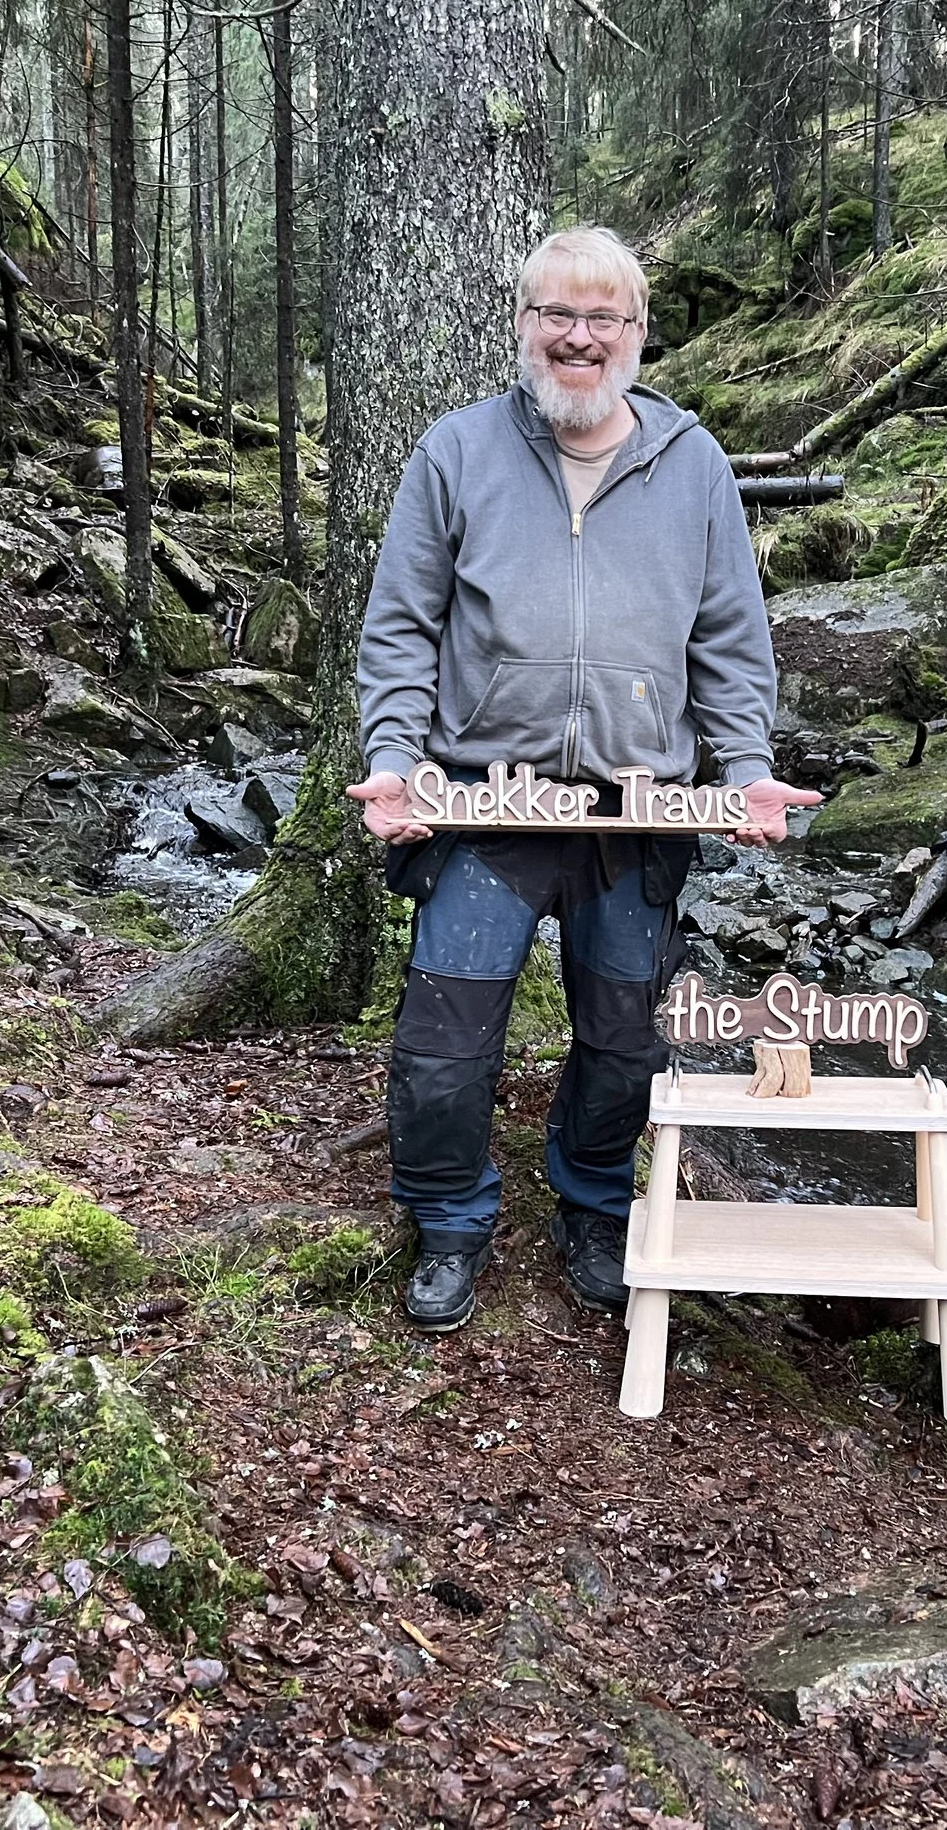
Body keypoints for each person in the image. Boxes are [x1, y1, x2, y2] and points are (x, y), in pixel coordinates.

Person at [347, 225, 821, 1334]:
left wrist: (746, 770)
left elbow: (732, 642)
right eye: (556, 314)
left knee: (626, 1038)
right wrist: (391, 759)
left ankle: (595, 1205)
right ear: (522, 325)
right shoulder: (455, 453)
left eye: (602, 318)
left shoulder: (693, 463)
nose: (577, 337)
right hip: (480, 805)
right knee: (443, 1041)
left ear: (636, 335)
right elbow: (401, 629)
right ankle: (451, 1222)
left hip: (638, 813)